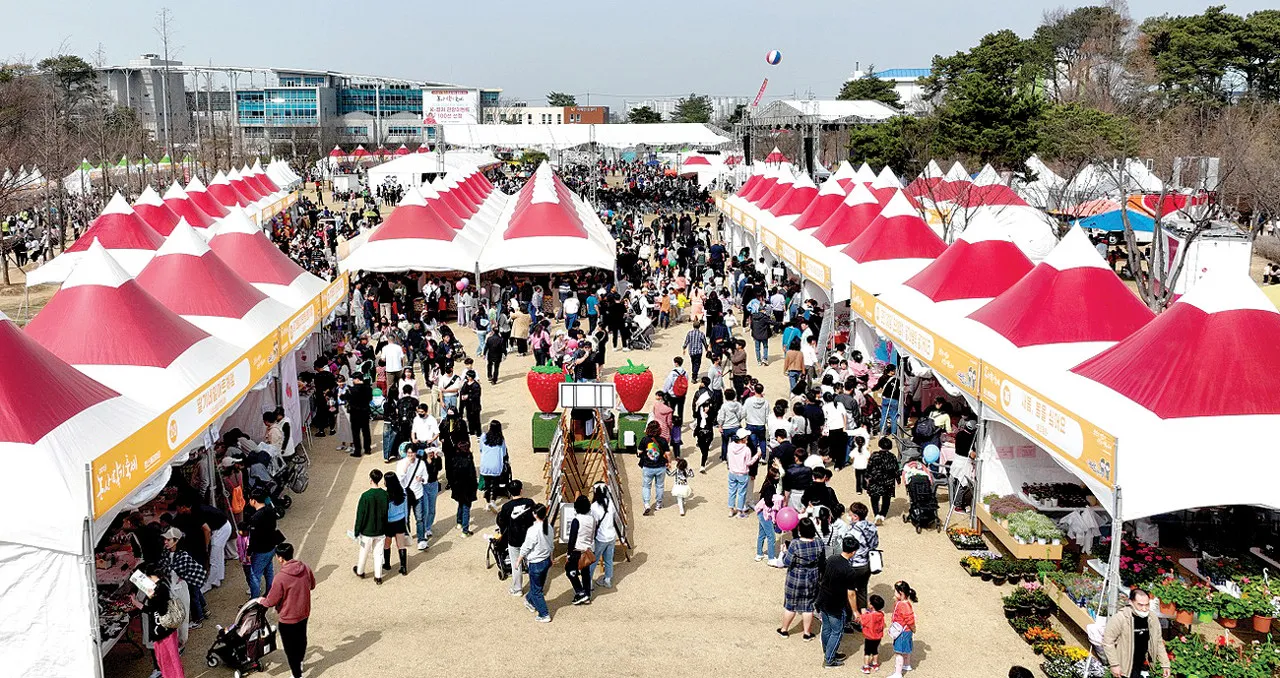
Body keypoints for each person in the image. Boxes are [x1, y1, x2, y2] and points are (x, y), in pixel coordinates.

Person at [254, 543, 314, 678]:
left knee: (290, 648)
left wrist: (260, 600)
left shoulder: (280, 578)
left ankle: (297, 674)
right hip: (304, 612)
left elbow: (271, 601)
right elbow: (312, 585)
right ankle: (300, 662)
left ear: (280, 558)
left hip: (287, 618)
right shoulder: (305, 568)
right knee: (301, 639)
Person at [1102, 588, 1170, 678]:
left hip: (1142, 663)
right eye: (1140, 605)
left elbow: (1158, 641)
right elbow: (1108, 642)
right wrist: (1114, 664)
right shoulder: (1120, 618)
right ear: (1131, 602)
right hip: (1125, 665)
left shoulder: (1152, 618)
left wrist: (1165, 664)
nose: (1144, 609)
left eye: (1147, 605)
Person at [817, 535, 861, 668]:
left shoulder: (832, 559)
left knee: (826, 628)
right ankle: (829, 659)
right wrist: (855, 611)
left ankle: (828, 652)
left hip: (823, 598)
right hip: (835, 604)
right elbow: (851, 594)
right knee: (837, 631)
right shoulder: (849, 570)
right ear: (853, 552)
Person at [136, 562, 185, 678]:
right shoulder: (162, 585)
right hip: (165, 629)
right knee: (169, 658)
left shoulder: (159, 589)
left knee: (168, 659)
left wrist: (138, 604)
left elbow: (153, 608)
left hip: (162, 631)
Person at [778, 518, 824, 640]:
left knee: (791, 605)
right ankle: (807, 633)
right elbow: (821, 561)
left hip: (795, 578)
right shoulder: (819, 542)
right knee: (808, 606)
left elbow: (786, 562)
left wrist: (784, 552)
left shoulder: (795, 544)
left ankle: (784, 630)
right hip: (812, 578)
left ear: (800, 530)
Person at [160, 527, 208, 628]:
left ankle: (198, 619)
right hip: (191, 580)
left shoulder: (182, 554)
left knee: (193, 598)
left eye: (168, 540)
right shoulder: (173, 552)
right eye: (164, 539)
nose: (165, 542)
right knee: (196, 595)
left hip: (188, 581)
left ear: (176, 541)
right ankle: (204, 610)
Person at [517, 503, 554, 622]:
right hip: (546, 560)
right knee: (538, 586)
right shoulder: (549, 527)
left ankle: (544, 614)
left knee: (537, 590)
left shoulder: (533, 530)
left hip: (536, 563)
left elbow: (526, 547)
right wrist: (551, 558)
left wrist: (519, 560)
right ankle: (530, 601)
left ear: (534, 514)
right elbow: (551, 545)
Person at [353, 469, 389, 584]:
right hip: (381, 530)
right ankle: (378, 576)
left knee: (364, 552)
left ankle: (360, 571)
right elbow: (386, 512)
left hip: (367, 532)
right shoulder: (385, 494)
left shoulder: (365, 496)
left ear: (370, 479)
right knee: (378, 553)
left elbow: (360, 515)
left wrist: (357, 531)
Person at [397, 440, 433, 551]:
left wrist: (421, 479)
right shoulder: (401, 463)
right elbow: (399, 479)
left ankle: (421, 540)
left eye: (412, 453)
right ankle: (407, 536)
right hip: (406, 494)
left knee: (420, 518)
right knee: (405, 517)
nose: (410, 455)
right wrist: (405, 468)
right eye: (408, 453)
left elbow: (426, 478)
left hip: (418, 493)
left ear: (416, 453)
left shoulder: (421, 463)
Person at [245, 491, 279, 598]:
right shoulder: (271, 511)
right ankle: (270, 593)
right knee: (269, 570)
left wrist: (249, 552)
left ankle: (254, 599)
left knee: (255, 576)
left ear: (254, 501)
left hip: (261, 550)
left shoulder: (255, 518)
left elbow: (253, 538)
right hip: (271, 547)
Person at [565, 495, 598, 605]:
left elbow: (572, 538)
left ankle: (580, 592)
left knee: (570, 571)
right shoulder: (592, 519)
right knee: (585, 572)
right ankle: (587, 594)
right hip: (588, 550)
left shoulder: (576, 520)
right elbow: (593, 534)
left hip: (577, 550)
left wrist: (568, 553)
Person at [846, 501, 879, 610]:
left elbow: (847, 549)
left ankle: (852, 612)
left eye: (850, 514)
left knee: (850, 590)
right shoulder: (872, 527)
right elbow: (875, 544)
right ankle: (863, 612)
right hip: (867, 563)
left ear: (856, 517)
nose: (849, 516)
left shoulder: (852, 532)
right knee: (862, 589)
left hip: (855, 565)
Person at [637, 421, 671, 516]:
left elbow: (639, 451)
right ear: (659, 430)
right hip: (660, 466)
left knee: (646, 486)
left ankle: (647, 504)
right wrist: (669, 462)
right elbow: (668, 453)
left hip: (648, 466)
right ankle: (658, 504)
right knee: (659, 486)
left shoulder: (644, 440)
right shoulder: (663, 440)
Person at [588, 484, 618, 588]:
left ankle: (589, 582)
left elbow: (593, 522)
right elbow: (614, 516)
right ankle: (607, 580)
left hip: (601, 537)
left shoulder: (594, 506)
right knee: (609, 559)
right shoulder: (611, 503)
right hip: (611, 535)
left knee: (593, 560)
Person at [887, 581, 919, 678]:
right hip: (907, 631)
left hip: (902, 632)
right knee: (906, 650)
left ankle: (898, 673)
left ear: (901, 593)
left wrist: (913, 628)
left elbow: (909, 619)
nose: (894, 594)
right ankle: (907, 665)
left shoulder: (902, 605)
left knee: (899, 653)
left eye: (895, 591)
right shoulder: (906, 603)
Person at [726, 429, 760, 518]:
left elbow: (728, 456)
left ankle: (731, 510)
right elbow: (748, 463)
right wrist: (757, 455)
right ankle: (739, 511)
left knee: (732, 491)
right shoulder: (746, 449)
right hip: (742, 473)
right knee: (741, 493)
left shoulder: (730, 445)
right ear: (743, 438)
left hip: (732, 472)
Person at [865, 438, 900, 524]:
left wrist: (867, 477)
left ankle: (876, 514)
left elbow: (869, 467)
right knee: (886, 499)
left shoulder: (874, 455)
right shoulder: (892, 456)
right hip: (888, 482)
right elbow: (896, 469)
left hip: (875, 481)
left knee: (874, 498)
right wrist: (898, 479)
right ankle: (883, 515)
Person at [479, 421, 509, 511]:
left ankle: (487, 502)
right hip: (496, 465)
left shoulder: (483, 437)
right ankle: (493, 501)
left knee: (487, 484)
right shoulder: (501, 439)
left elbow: (481, 449)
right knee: (495, 484)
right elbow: (504, 453)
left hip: (485, 465)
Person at [383, 472, 410, 576]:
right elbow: (406, 509)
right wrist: (405, 521)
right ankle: (403, 567)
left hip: (389, 523)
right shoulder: (402, 492)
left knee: (387, 544)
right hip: (400, 521)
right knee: (401, 545)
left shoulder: (386, 495)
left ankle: (387, 564)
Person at [451, 438, 479, 536]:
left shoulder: (455, 458)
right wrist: (475, 486)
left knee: (460, 504)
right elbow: (472, 474)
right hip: (468, 487)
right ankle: (465, 530)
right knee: (466, 507)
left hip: (458, 486)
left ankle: (459, 522)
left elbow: (453, 474)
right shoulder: (468, 458)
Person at [755, 466, 783, 562]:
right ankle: (771, 558)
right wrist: (777, 501)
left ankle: (759, 554)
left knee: (762, 534)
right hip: (765, 514)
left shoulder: (766, 484)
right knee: (771, 536)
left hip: (761, 513)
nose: (778, 478)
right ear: (772, 477)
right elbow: (768, 502)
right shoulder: (770, 487)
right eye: (777, 477)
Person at [347, 373, 373, 457]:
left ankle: (357, 451)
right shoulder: (368, 388)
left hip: (355, 413)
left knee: (356, 433)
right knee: (366, 431)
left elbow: (347, 399)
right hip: (365, 411)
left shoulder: (352, 390)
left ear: (357, 379)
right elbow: (370, 398)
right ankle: (367, 449)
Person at [860, 594, 887, 674]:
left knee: (867, 652)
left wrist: (863, 613)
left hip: (869, 637)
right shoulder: (881, 614)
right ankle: (875, 664)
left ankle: (866, 667)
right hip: (878, 637)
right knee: (875, 650)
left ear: (872, 605)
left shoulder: (869, 616)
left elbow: (862, 621)